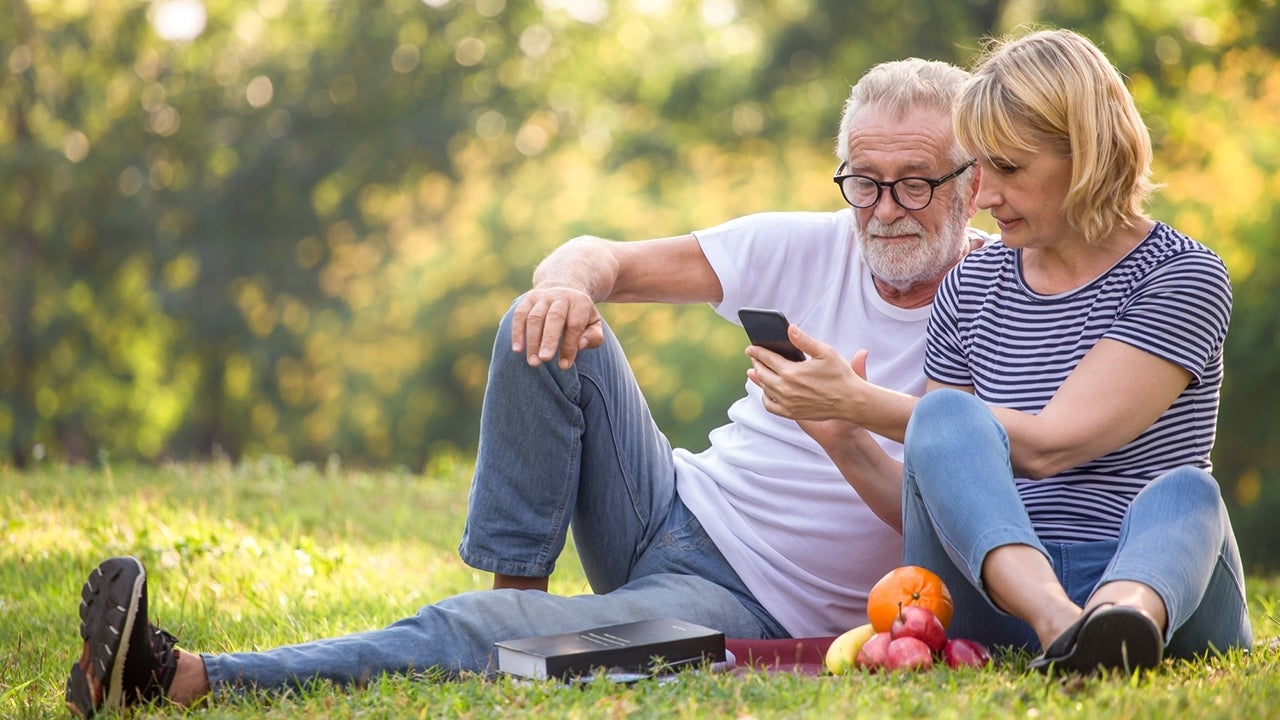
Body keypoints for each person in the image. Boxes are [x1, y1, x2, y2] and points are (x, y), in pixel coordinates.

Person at [65, 57, 984, 716]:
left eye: (914, 185)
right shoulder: (807, 241)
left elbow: (946, 542)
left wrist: (843, 429)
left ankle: (186, 678)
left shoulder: (1002, 312)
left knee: (479, 630)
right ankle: (525, 605)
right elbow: (602, 256)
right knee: (541, 323)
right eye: (865, 183)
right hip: (668, 506)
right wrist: (564, 284)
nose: (884, 212)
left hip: (754, 605)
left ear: (972, 183)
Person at [756, 28, 1252, 674]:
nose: (983, 196)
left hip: (1164, 589)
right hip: (1002, 596)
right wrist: (845, 435)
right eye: (981, 167)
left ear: (1089, 154)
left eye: (1010, 169)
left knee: (1188, 493)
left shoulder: (1181, 276)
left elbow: (1052, 443)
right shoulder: (969, 286)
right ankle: (1065, 628)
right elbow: (940, 493)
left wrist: (863, 402)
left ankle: (1117, 622)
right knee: (944, 421)